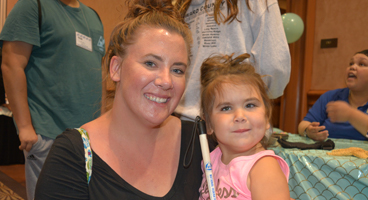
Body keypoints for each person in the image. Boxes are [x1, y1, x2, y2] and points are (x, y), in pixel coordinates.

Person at [35, 0, 204, 199]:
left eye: (177, 70)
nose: (166, 81)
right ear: (116, 68)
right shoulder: (73, 157)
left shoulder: (200, 144)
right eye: (150, 63)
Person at [0, 0, 105, 199]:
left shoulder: (93, 16)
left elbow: (98, 73)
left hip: (88, 136)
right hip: (48, 133)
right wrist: (24, 128)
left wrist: (102, 124)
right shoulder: (32, 6)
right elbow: (11, 64)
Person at [174, 0, 291, 121]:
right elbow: (274, 66)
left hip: (182, 119)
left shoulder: (179, 5)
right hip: (240, 120)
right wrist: (254, 102)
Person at [198, 53, 290, 199]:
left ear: (266, 118)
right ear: (208, 124)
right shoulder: (212, 159)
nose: (240, 116)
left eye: (250, 105)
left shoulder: (263, 168)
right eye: (226, 108)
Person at [298, 50, 368, 141]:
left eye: (362, 64)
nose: (353, 67)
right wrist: (308, 130)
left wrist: (350, 114)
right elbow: (303, 124)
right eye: (351, 63)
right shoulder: (331, 96)